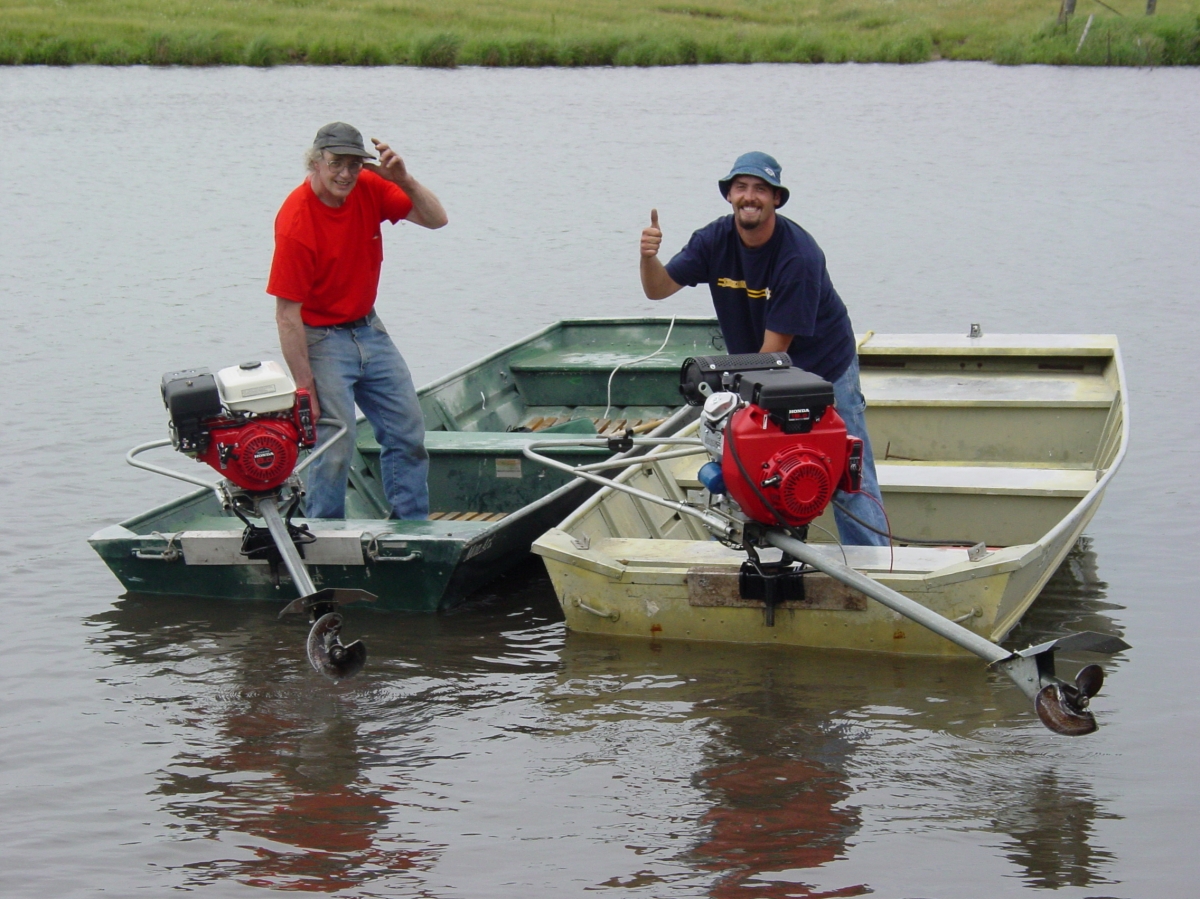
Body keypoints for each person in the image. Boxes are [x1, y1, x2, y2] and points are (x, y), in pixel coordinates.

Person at [639, 151, 889, 546]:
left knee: (847, 475)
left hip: (823, 367)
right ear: (729, 195)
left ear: (776, 199)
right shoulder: (713, 240)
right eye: (741, 187)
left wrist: (731, 401)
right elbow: (657, 289)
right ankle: (762, 552)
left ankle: (873, 562)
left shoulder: (798, 256)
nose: (749, 197)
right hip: (761, 366)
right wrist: (648, 257)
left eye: (760, 189)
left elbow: (775, 356)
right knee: (758, 467)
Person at [267, 122, 447, 519]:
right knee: (335, 443)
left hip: (369, 329)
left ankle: (410, 528)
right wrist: (305, 389)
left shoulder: (369, 186)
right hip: (321, 338)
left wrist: (404, 179)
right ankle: (323, 534)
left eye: (354, 164)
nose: (345, 174)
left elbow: (437, 219)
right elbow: (287, 316)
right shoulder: (297, 221)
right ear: (315, 162)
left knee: (407, 430)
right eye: (336, 163)